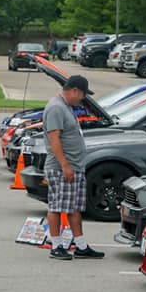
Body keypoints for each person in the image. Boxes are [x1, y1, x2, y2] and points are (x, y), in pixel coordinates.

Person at [43, 75, 104, 261]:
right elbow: (54, 139)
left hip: (74, 167)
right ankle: (56, 245)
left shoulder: (66, 107)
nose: (82, 99)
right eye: (83, 95)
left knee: (74, 208)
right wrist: (65, 165)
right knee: (57, 206)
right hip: (62, 168)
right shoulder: (55, 108)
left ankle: (81, 246)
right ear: (75, 90)